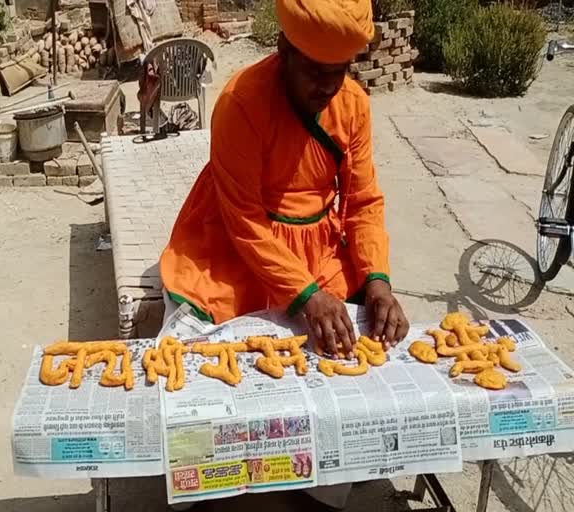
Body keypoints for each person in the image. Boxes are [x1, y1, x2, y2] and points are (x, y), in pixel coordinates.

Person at [160, 0, 410, 508]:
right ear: (283, 51)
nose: (326, 87)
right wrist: (304, 294)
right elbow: (244, 218)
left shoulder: (354, 105)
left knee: (344, 358)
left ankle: (318, 481)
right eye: (315, 72)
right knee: (194, 365)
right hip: (233, 242)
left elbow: (362, 201)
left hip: (317, 246)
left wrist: (378, 280)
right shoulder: (241, 102)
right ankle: (213, 483)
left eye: (337, 73)